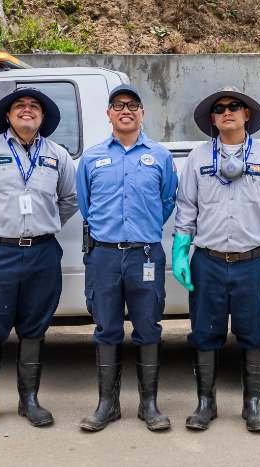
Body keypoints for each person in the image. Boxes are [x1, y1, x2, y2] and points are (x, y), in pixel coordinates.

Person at [0, 88, 79, 432]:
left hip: (42, 253)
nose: (27, 110)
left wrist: (44, 224)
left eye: (34, 107)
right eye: (19, 106)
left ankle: (29, 400)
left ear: (42, 117)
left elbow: (70, 198)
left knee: (34, 328)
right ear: (7, 116)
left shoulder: (57, 155)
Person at [172, 86, 260, 432]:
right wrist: (181, 253)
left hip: (253, 262)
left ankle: (252, 405)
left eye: (234, 106)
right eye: (220, 108)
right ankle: (205, 404)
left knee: (255, 334)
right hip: (207, 262)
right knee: (204, 334)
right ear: (213, 119)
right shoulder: (197, 158)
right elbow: (186, 210)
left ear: (246, 115)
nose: (227, 111)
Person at [75, 84, 179, 432]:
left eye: (133, 105)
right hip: (103, 256)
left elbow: (167, 202)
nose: (126, 110)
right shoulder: (91, 158)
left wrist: (144, 228)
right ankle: (108, 404)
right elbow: (86, 206)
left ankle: (148, 405)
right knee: (106, 328)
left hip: (145, 255)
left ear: (142, 114)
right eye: (118, 105)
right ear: (108, 114)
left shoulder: (161, 156)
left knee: (148, 327)